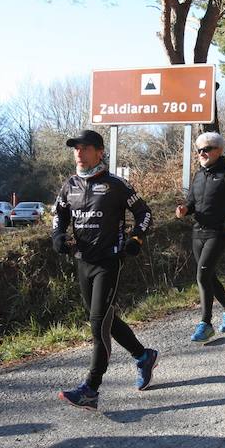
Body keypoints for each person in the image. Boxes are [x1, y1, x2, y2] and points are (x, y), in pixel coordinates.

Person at [52, 129, 158, 410]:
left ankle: (91, 389)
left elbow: (145, 213)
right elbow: (59, 215)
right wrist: (58, 236)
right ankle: (143, 355)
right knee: (104, 320)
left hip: (109, 263)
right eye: (75, 148)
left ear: (99, 152)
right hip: (82, 261)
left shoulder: (116, 185)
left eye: (85, 148)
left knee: (98, 326)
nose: (78, 153)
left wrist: (136, 238)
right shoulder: (70, 185)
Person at [175, 132, 225, 342]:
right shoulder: (198, 175)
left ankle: (205, 323)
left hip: (219, 232)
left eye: (207, 149)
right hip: (198, 231)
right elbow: (192, 202)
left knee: (202, 275)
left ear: (219, 150)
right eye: (199, 150)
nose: (202, 153)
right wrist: (185, 209)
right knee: (209, 275)